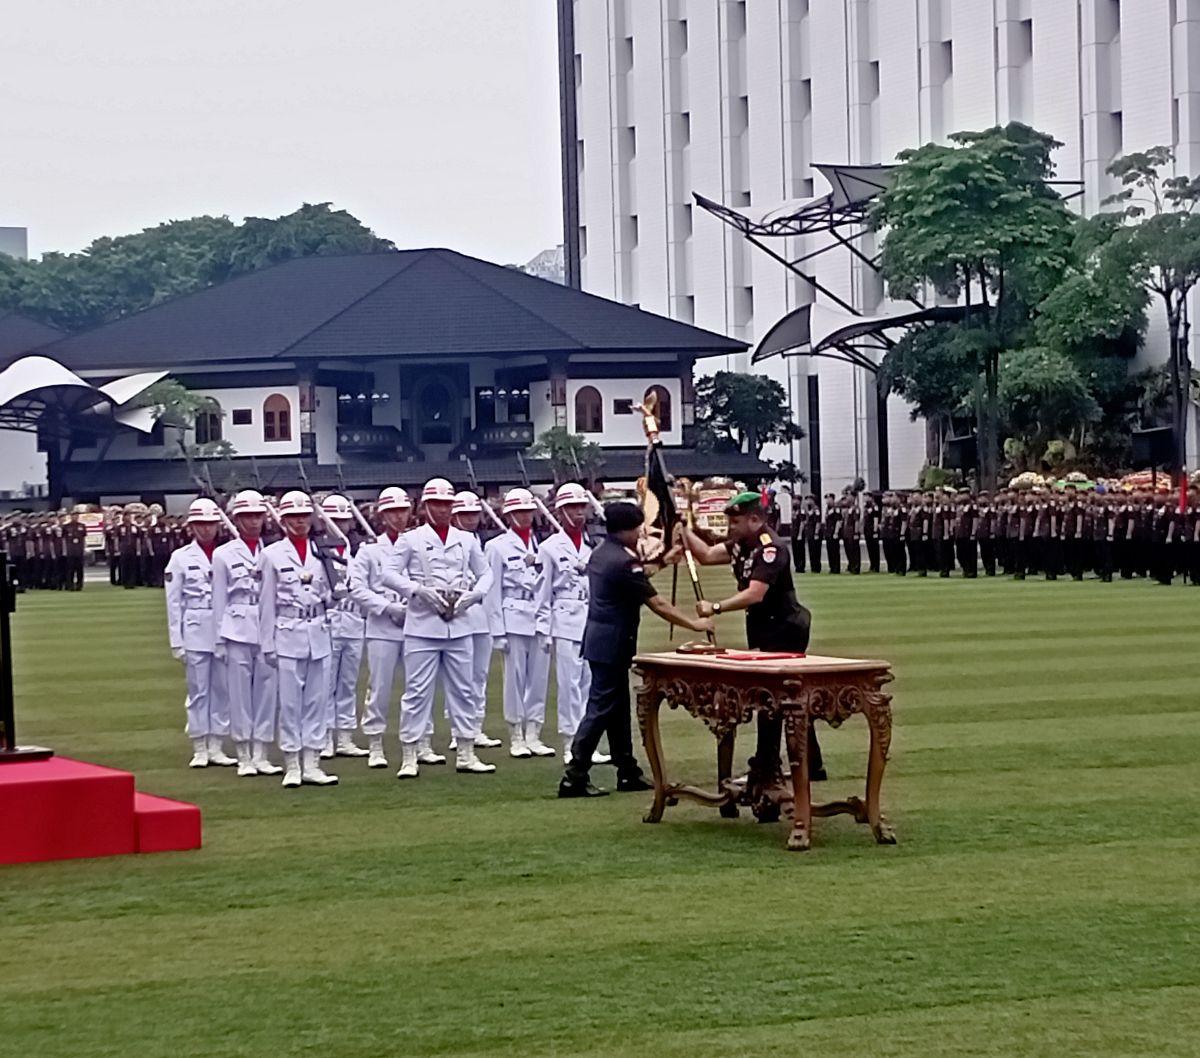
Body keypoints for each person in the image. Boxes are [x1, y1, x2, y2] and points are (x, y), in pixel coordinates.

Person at [558, 502, 714, 798]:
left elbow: (635, 582)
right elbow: (656, 602)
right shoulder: (624, 561)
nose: (641, 533)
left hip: (600, 641)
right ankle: (575, 774)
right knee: (601, 709)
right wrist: (694, 624)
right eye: (639, 527)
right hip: (613, 643)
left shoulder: (603, 554)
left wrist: (666, 561)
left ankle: (627, 770)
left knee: (616, 710)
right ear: (629, 529)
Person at [680, 490, 826, 795]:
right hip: (763, 627)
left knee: (773, 700)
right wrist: (683, 531)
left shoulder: (769, 548)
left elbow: (755, 593)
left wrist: (716, 607)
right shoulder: (741, 544)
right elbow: (706, 556)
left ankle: (766, 765)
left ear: (755, 519)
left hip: (784, 628)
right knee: (782, 697)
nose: (729, 527)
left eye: (735, 521)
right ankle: (810, 761)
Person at [385, 478, 496, 777]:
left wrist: (476, 595)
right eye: (437, 504)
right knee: (417, 692)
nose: (443, 510)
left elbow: (485, 573)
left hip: (459, 622)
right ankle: (410, 753)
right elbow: (389, 574)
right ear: (425, 506)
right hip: (422, 624)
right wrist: (417, 590)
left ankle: (466, 751)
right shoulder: (410, 539)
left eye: (447, 504)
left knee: (464, 690)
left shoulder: (467, 539)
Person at [258, 490, 339, 788]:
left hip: (318, 629)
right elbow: (265, 604)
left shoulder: (322, 550)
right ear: (283, 520)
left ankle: (312, 763)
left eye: (304, 516)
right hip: (287, 630)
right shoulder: (271, 554)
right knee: (290, 703)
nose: (299, 522)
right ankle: (292, 763)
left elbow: (331, 593)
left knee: (318, 701)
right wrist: (267, 644)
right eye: (293, 517)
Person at [211, 489, 282, 777]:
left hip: (269, 626)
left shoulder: (276, 550)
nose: (253, 522)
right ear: (236, 520)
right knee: (239, 695)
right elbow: (218, 600)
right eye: (246, 517)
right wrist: (218, 639)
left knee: (267, 693)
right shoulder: (223, 554)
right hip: (237, 627)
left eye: (257, 516)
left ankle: (261, 752)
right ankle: (243, 753)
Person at [538, 483, 606, 766]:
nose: (577, 514)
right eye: (571, 509)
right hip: (564, 619)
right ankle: (570, 742)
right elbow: (543, 592)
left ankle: (589, 742)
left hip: (591, 618)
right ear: (560, 512)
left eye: (581, 507)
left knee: (591, 685)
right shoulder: (549, 548)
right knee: (569, 686)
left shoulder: (595, 543)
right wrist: (543, 629)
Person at [165, 498, 235, 769]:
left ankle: (217, 744)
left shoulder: (227, 554)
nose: (206, 529)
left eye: (210, 524)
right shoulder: (180, 557)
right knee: (198, 691)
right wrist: (176, 641)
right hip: (194, 628)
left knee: (222, 690)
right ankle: (199, 745)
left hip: (223, 628)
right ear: (191, 527)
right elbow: (173, 602)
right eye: (200, 525)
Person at [485, 487, 554, 758]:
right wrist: (497, 630)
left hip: (540, 616)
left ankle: (534, 733)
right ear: (509, 515)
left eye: (527, 511)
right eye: (518, 512)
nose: (524, 517)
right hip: (512, 616)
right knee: (514, 680)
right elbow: (492, 592)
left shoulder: (543, 545)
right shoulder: (497, 546)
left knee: (539, 679)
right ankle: (516, 734)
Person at [349, 486, 415, 769]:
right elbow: (355, 588)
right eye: (392, 512)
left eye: (402, 511)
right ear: (382, 515)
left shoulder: (416, 545)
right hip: (382, 625)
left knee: (417, 687)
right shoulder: (369, 551)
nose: (398, 517)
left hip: (415, 623)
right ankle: (375, 743)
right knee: (380, 687)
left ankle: (418, 743)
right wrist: (387, 608)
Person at [450, 490, 503, 750]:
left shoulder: (486, 542)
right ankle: (457, 729)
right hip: (458, 614)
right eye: (464, 515)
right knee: (459, 676)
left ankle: (476, 726)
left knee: (479, 675)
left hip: (481, 615)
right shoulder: (450, 542)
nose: (470, 519)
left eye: (473, 514)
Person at [319, 495, 370, 759]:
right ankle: (326, 736)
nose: (342, 524)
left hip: (353, 620)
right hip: (329, 619)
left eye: (345, 519)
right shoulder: (318, 550)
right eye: (336, 520)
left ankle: (345, 736)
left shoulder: (358, 550)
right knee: (327, 683)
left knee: (348, 682)